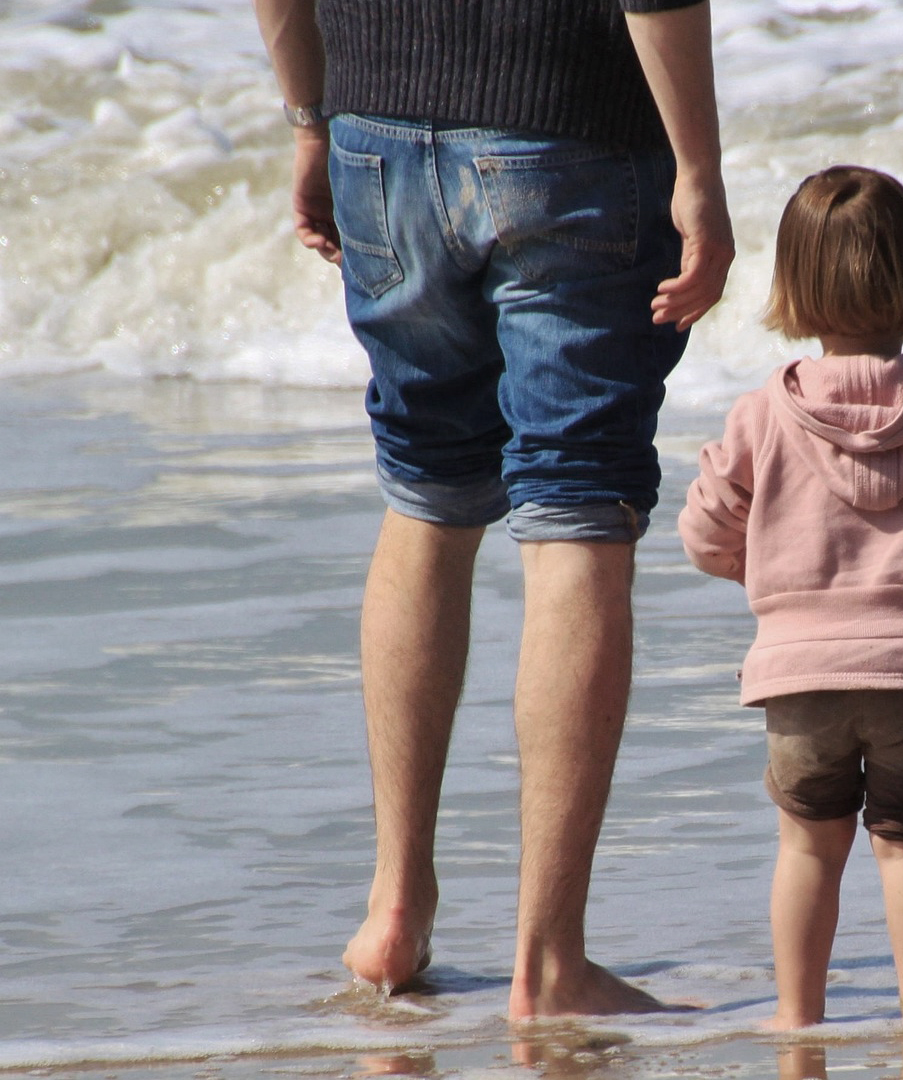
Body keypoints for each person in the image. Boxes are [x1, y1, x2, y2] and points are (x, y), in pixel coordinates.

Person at [251, 0, 734, 1019]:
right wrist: (699, 173)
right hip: (569, 127)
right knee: (575, 511)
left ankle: (393, 914)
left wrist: (310, 119)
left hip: (374, 127)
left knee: (425, 492)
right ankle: (550, 962)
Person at [678, 166, 903, 1031]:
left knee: (808, 843)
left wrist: (777, 585)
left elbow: (705, 532)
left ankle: (797, 1016)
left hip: (797, 673)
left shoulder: (764, 413)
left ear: (791, 286)